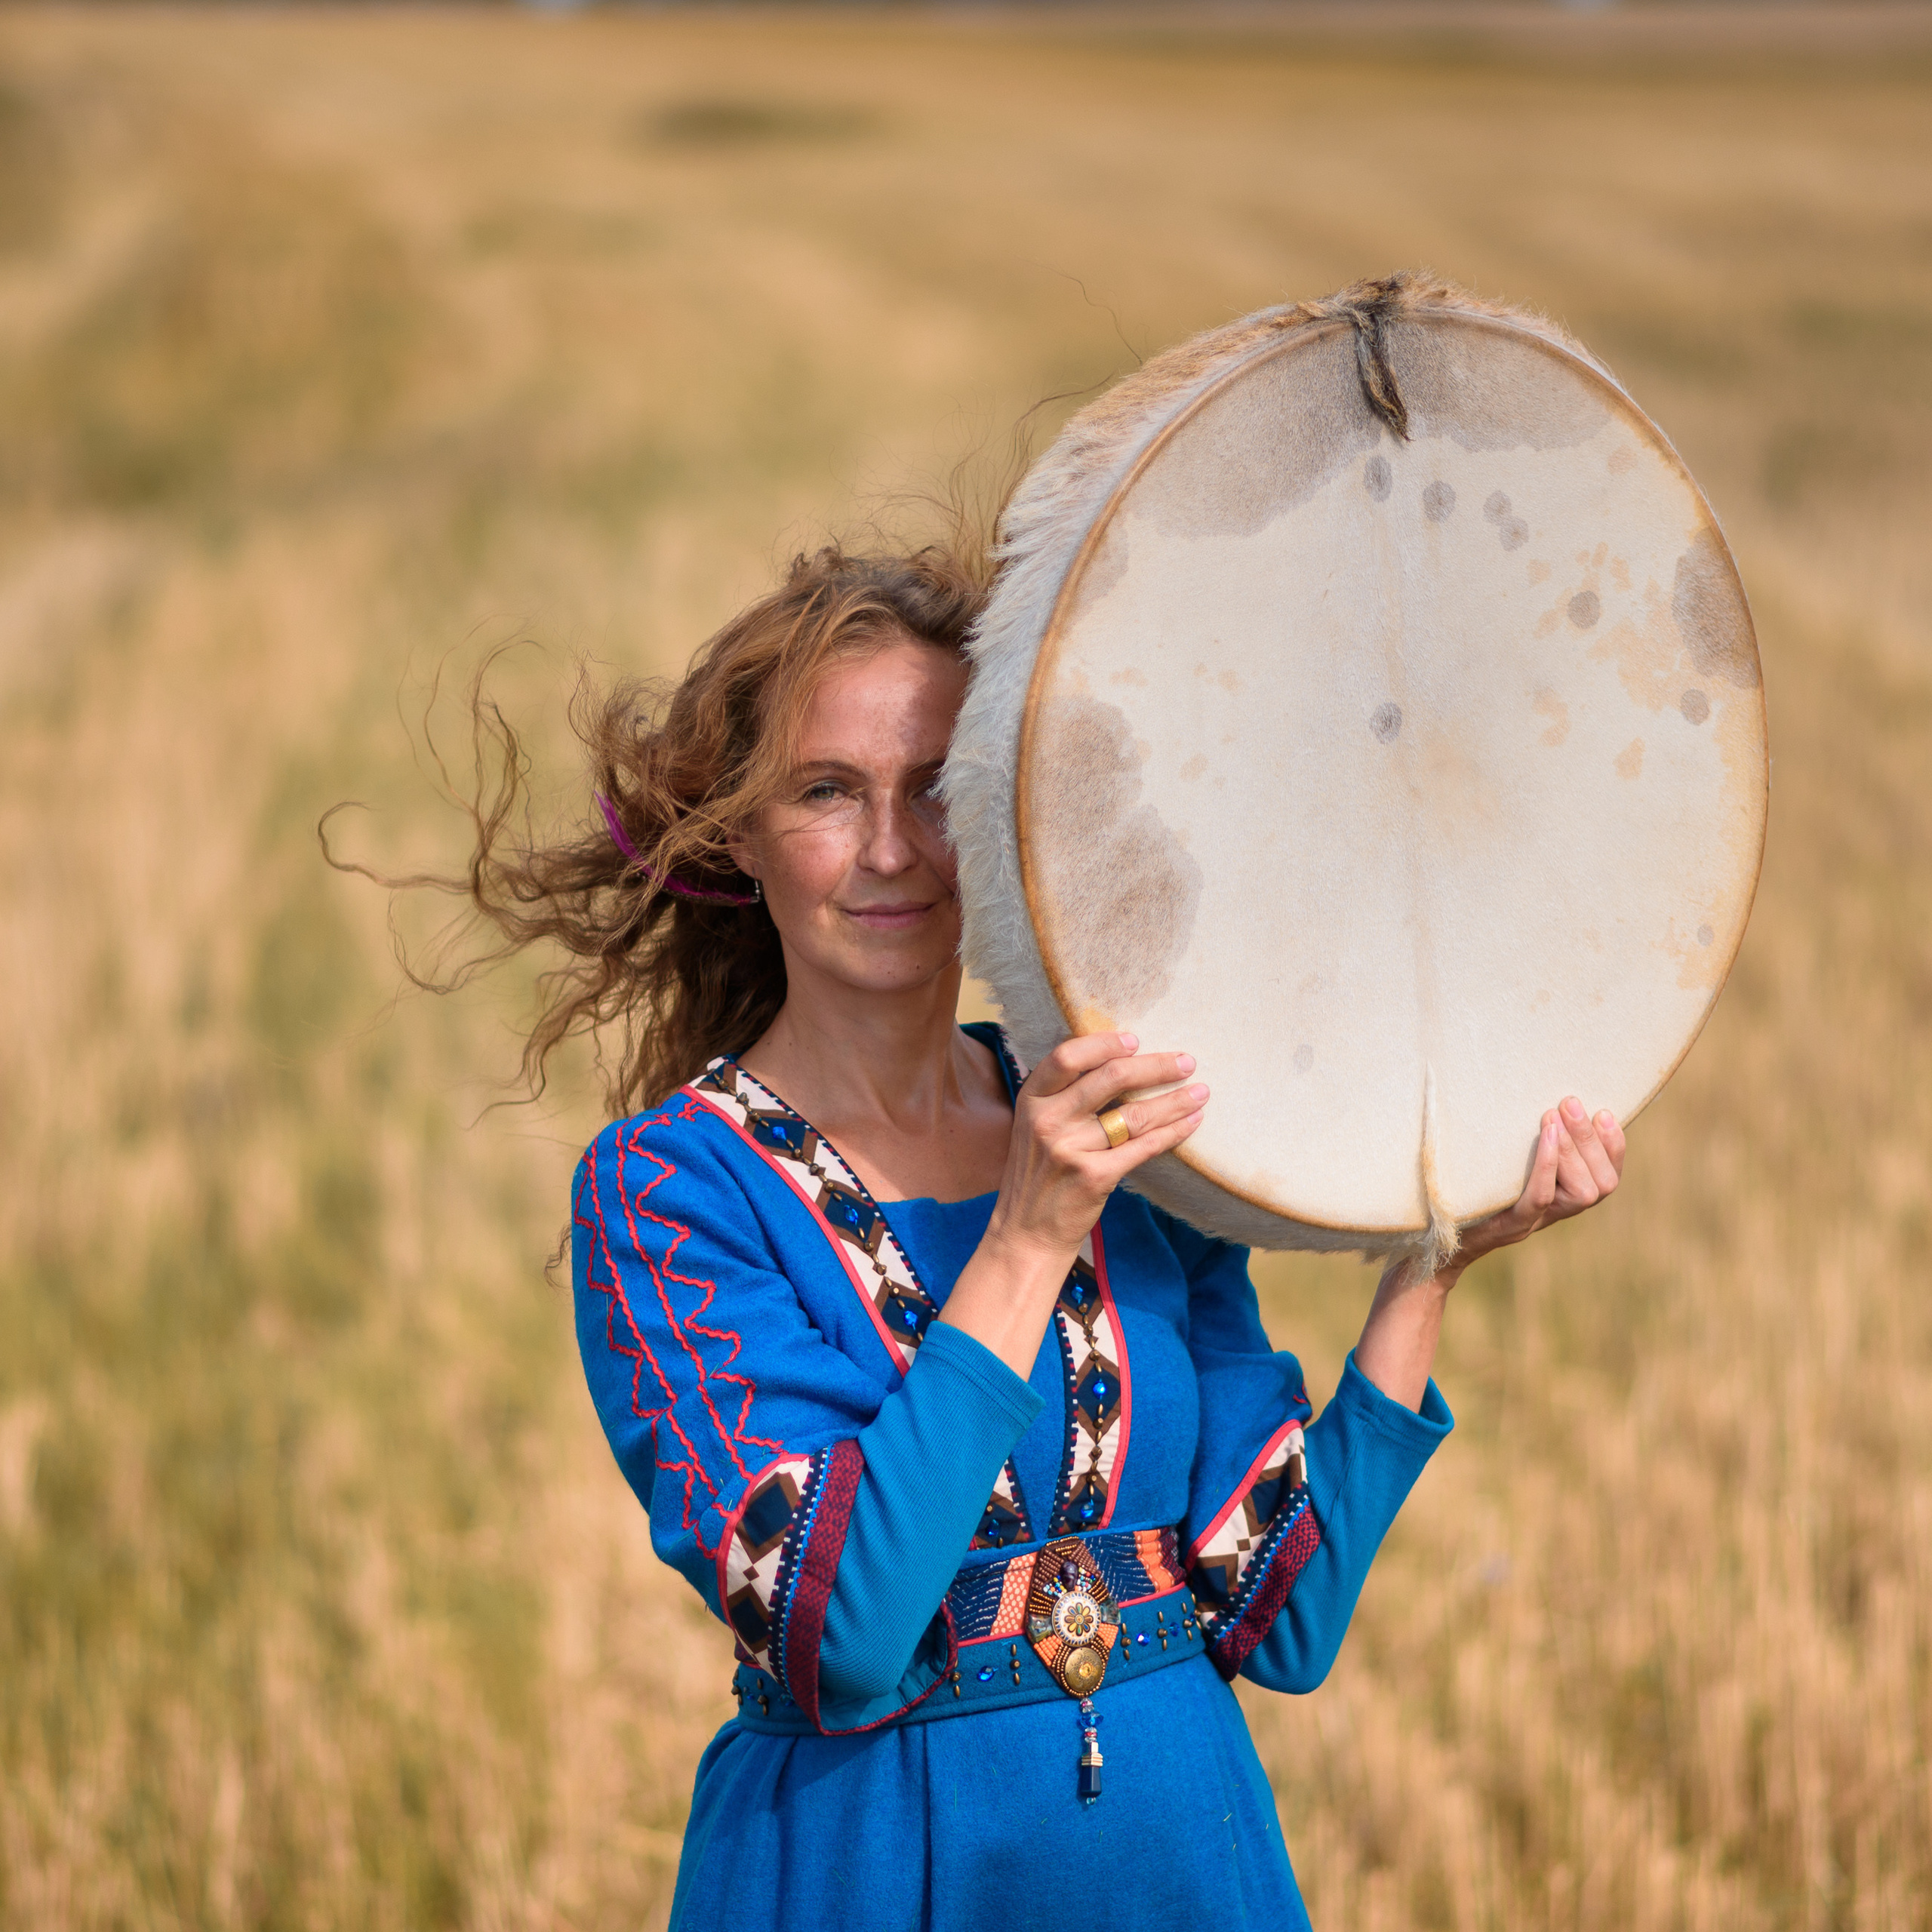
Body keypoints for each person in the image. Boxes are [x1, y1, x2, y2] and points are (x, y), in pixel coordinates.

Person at [461, 541, 1624, 1930]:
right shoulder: (669, 1191)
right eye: (827, 791)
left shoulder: (1119, 1129)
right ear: (738, 840)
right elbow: (845, 1634)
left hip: (1187, 1868)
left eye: (938, 788)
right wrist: (1028, 1235)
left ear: (1015, 817)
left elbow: (1280, 1612)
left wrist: (1432, 1262)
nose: (892, 848)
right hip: (868, 1876)